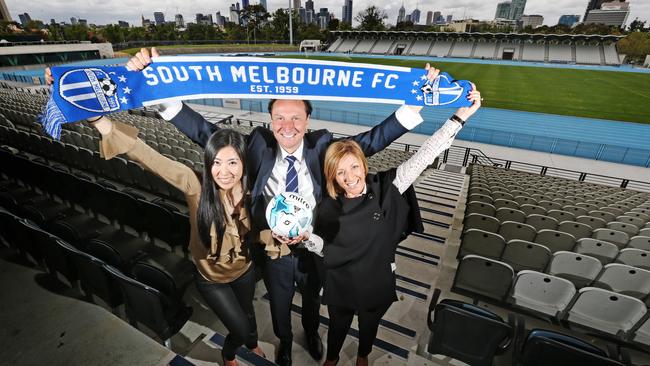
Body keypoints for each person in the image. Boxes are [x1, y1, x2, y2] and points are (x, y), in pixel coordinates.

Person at [126, 48, 443, 366]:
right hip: (273, 248)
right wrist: (160, 89)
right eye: (280, 117)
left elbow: (373, 140)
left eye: (296, 117)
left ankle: (311, 332)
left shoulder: (323, 147)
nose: (287, 125)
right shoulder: (256, 146)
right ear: (271, 120)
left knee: (311, 300)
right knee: (279, 304)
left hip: (316, 247)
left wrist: (415, 99)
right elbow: (205, 133)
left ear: (307, 121)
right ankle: (286, 342)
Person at [43, 66, 266, 365]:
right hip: (211, 280)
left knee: (249, 313)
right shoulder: (194, 184)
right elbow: (147, 156)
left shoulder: (257, 193)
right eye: (217, 162)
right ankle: (230, 354)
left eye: (233, 163)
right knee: (237, 327)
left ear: (244, 164)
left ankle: (251, 344)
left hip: (245, 271)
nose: (223, 172)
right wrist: (98, 120)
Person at [307, 85, 482, 366]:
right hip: (342, 282)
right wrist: (305, 239)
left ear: (364, 166)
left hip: (376, 280)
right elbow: (322, 248)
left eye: (354, 167)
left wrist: (460, 116)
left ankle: (363, 355)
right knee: (338, 325)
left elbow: (425, 155)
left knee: (369, 326)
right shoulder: (326, 205)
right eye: (340, 172)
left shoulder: (388, 187)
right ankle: (333, 357)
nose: (349, 177)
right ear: (332, 176)